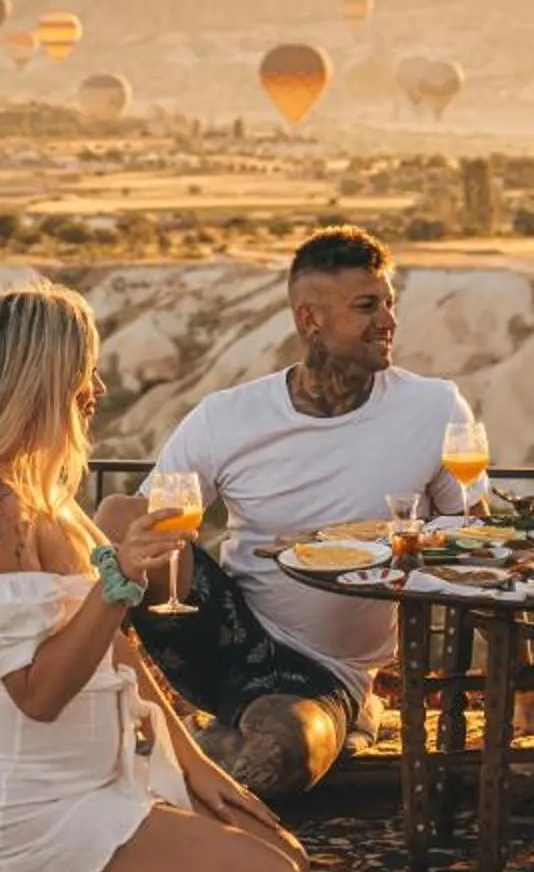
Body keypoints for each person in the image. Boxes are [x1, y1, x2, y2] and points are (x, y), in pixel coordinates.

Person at [0, 280, 308, 872]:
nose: (97, 388)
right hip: (30, 810)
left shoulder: (45, 500)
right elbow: (39, 695)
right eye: (84, 371)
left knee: (287, 857)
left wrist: (202, 771)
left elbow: (121, 653)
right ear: (43, 380)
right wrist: (121, 580)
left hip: (96, 787)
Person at [98, 225, 475, 799]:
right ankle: (81, 692)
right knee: (121, 512)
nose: (388, 321)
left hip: (324, 670)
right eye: (367, 306)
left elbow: (472, 531)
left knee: (277, 756)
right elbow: (152, 523)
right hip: (224, 628)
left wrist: (384, 541)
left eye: (389, 304)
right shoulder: (228, 415)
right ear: (310, 319)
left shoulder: (433, 406)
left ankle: (221, 753)